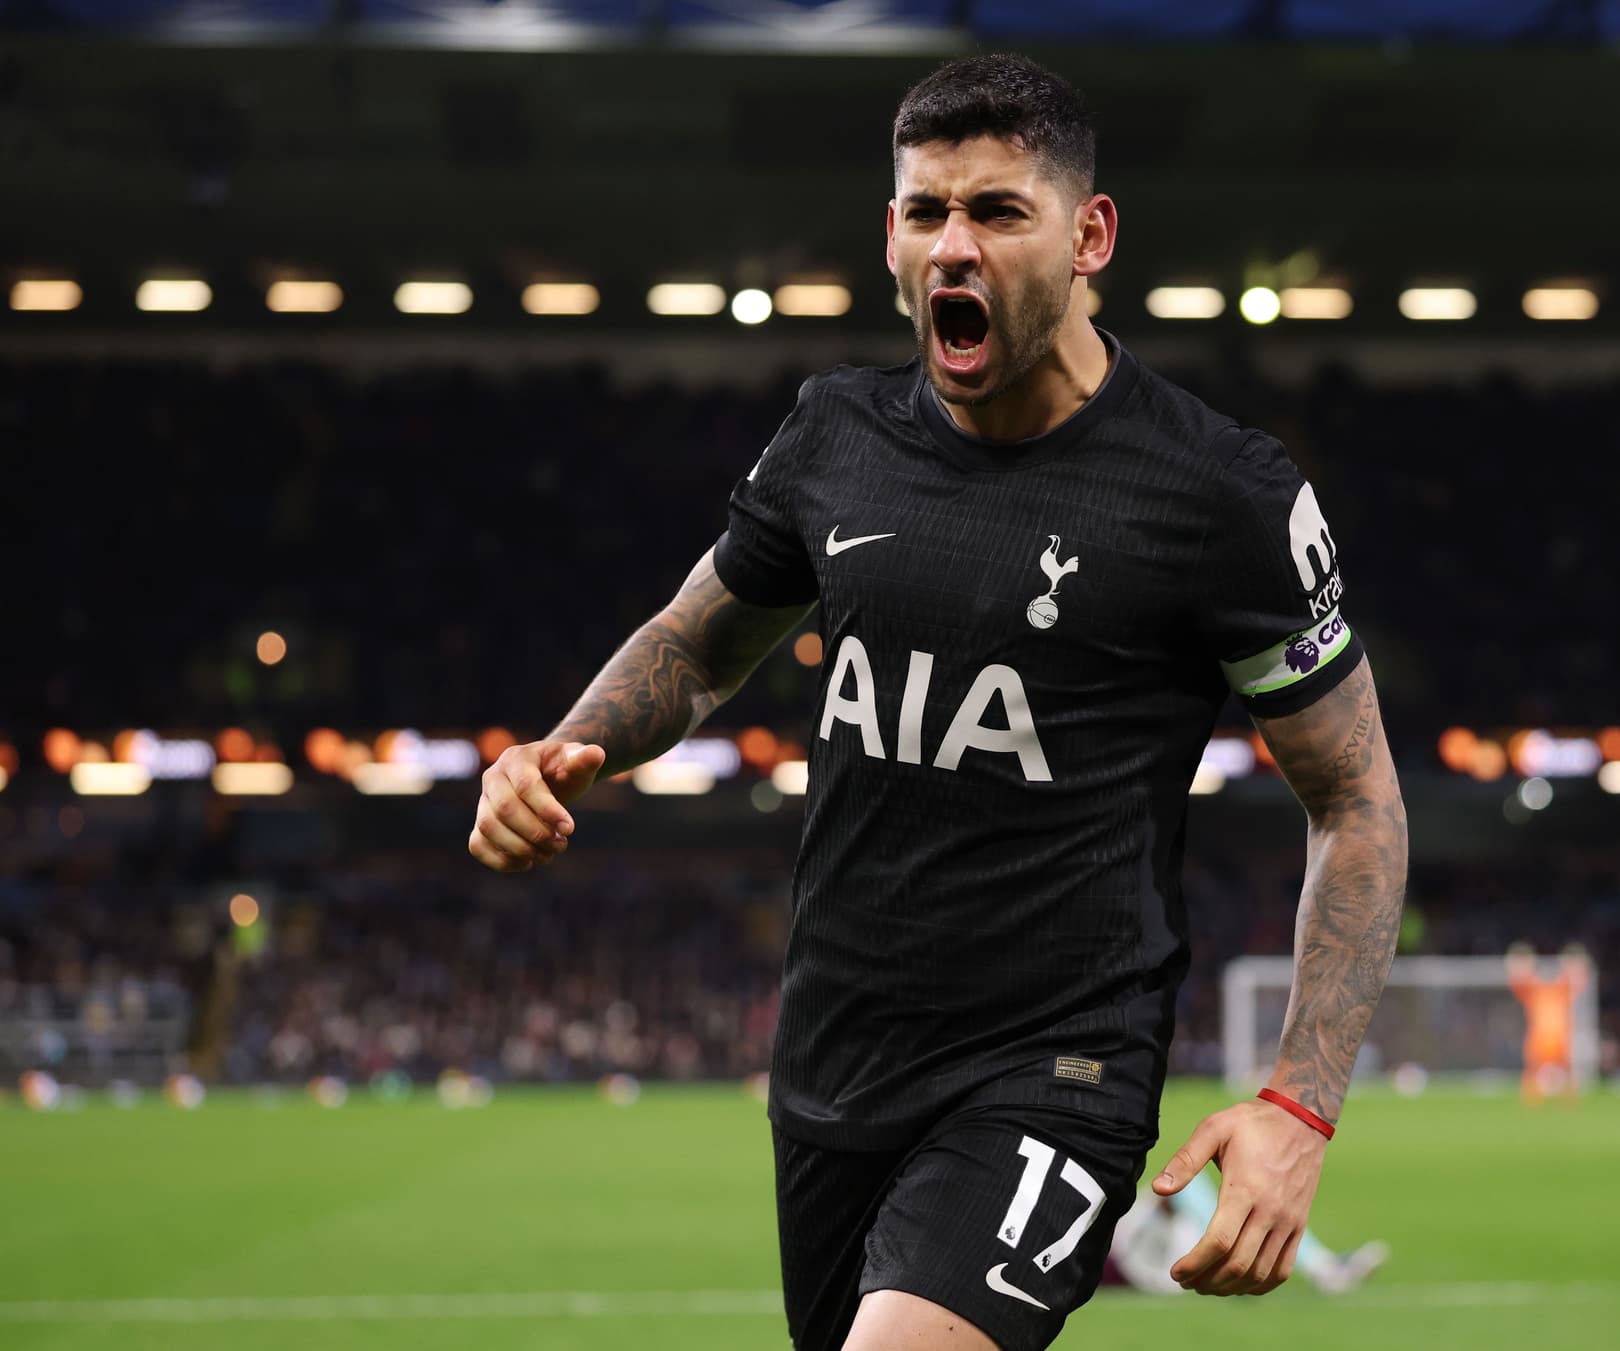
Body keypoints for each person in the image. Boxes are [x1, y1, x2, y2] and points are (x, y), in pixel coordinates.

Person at [469, 54, 1407, 1351]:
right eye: (925, 213)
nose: (953, 245)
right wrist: (562, 747)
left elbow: (1357, 797)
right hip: (833, 1064)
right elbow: (694, 645)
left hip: (1054, 1067)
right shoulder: (834, 435)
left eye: (998, 211)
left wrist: (1300, 1109)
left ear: (1091, 236)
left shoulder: (1219, 494)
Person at [1105, 1175, 1389, 1297]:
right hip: (1141, 1260)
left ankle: (1323, 1266)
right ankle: (1325, 1267)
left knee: (1196, 1194)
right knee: (1184, 1189)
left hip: (1154, 1249)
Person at [1506, 942, 1588, 1105]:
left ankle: (1569, 1104)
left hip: (1561, 1038)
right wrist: (1518, 965)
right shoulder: (1533, 988)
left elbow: (1579, 981)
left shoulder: (1562, 988)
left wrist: (1575, 965)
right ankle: (1533, 1105)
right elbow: (1517, 983)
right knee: (1533, 1071)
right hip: (1539, 1038)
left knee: (1567, 1071)